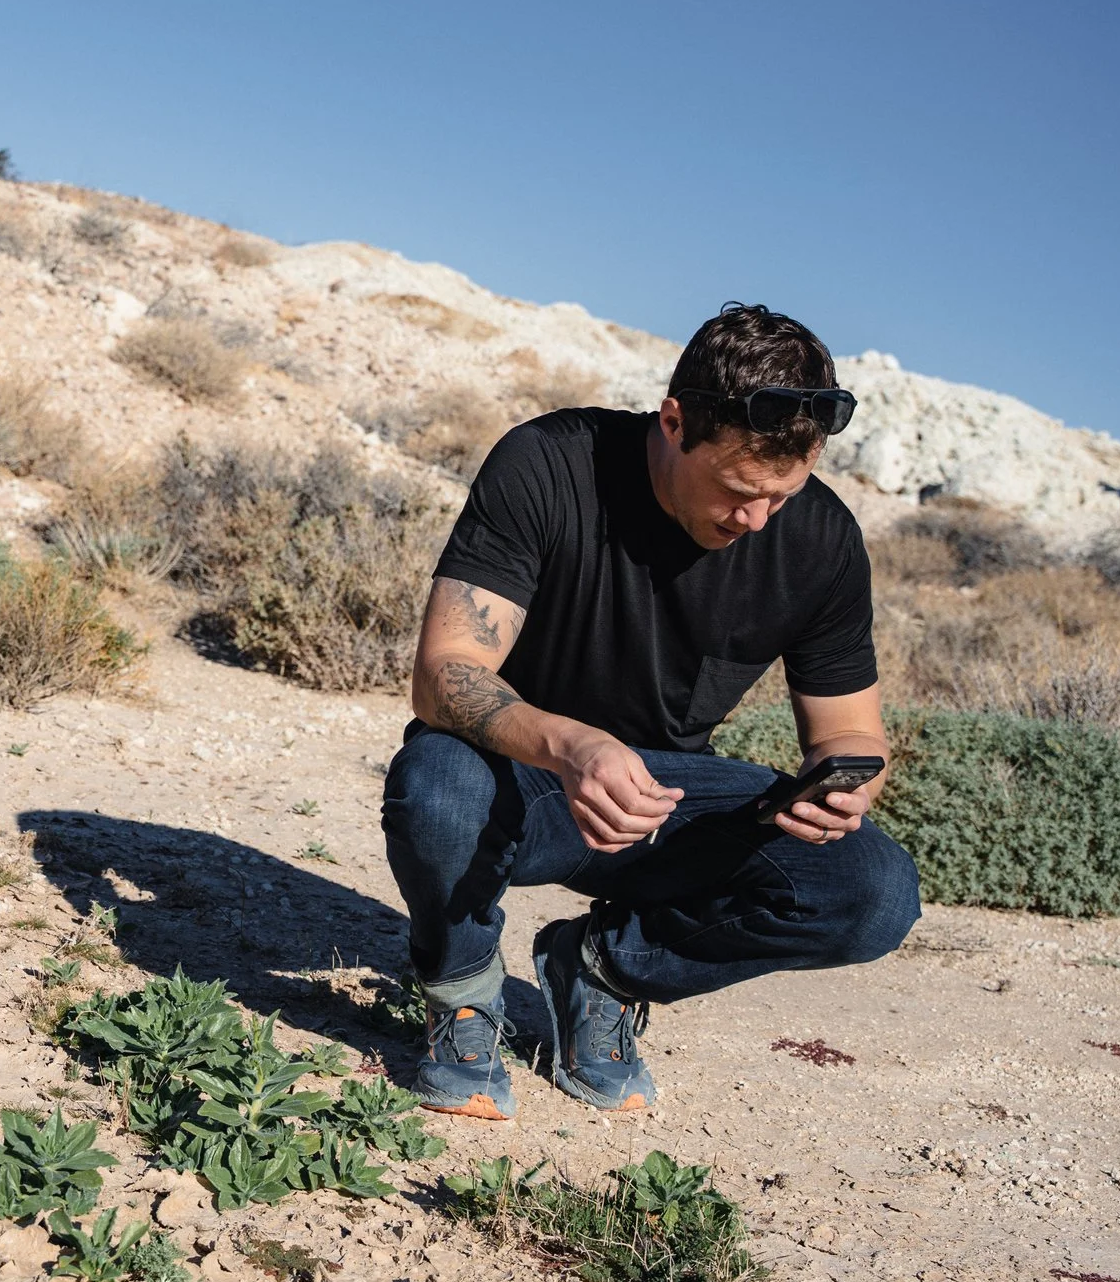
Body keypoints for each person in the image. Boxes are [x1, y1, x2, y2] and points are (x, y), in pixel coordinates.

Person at [382, 303, 919, 1119]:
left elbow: (849, 731)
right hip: (522, 773)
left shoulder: (822, 539)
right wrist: (571, 746)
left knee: (873, 890)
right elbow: (444, 673)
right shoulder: (549, 462)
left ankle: (599, 969)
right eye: (739, 490)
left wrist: (843, 786)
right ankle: (462, 995)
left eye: (782, 495)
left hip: (667, 804)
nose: (755, 520)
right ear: (674, 421)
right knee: (435, 788)